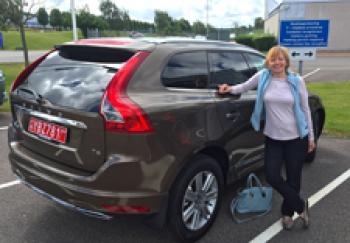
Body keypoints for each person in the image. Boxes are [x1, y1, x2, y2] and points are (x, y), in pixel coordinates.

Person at [218, 46, 315, 230]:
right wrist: (228, 88)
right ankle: (301, 206)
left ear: (286, 61)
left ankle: (287, 214)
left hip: (296, 138)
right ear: (268, 63)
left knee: (293, 179)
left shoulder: (296, 81)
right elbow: (244, 86)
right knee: (272, 176)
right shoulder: (263, 77)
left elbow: (305, 108)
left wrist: (310, 136)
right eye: (273, 59)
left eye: (280, 59)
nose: (277, 62)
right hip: (274, 138)